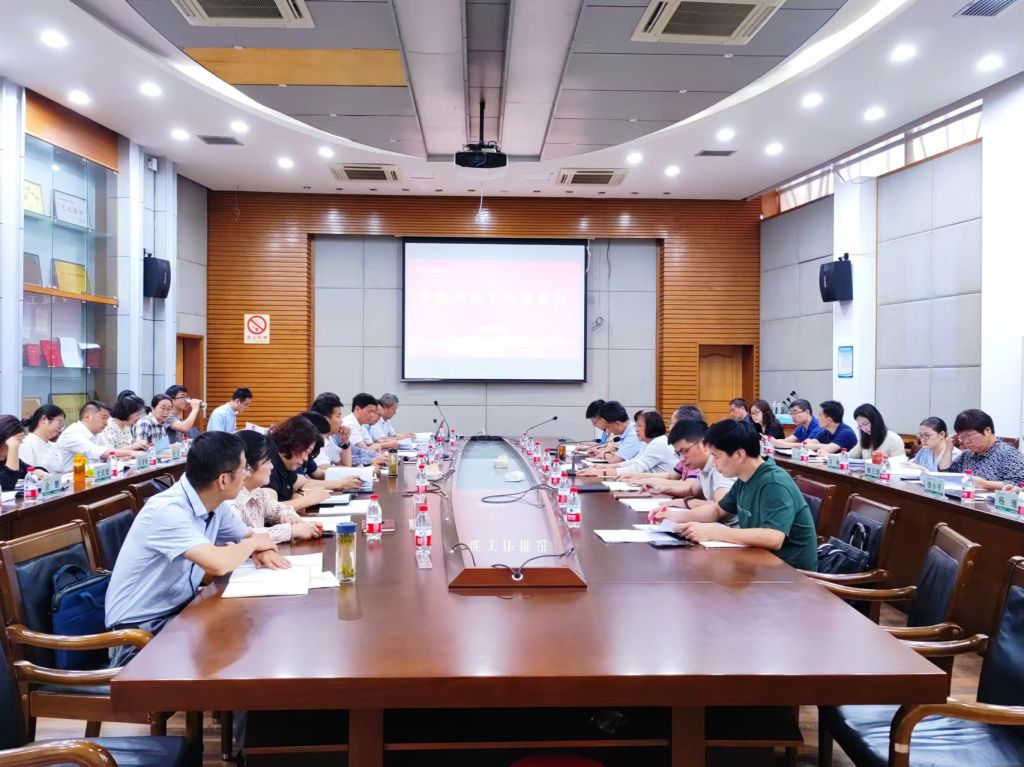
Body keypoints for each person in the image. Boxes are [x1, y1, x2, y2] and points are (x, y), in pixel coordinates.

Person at [105, 431, 288, 664]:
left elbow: (250, 535)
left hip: (180, 616)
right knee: (234, 656)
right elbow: (219, 563)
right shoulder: (168, 511)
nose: (246, 475)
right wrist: (254, 544)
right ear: (223, 480)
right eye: (243, 469)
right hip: (138, 635)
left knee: (249, 639)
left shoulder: (214, 503)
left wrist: (261, 548)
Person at [674, 419, 817, 570]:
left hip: (790, 573)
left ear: (739, 455)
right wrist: (675, 518)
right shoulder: (745, 478)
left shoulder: (773, 483)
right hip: (761, 562)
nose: (714, 464)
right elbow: (717, 510)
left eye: (716, 457)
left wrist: (712, 532)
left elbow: (774, 537)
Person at [230, 430, 323, 543]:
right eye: (267, 462)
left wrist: (289, 516)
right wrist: (291, 531)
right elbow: (243, 536)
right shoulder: (229, 501)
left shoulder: (258, 493)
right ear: (247, 466)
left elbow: (280, 509)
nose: (272, 466)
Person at [648, 419, 736, 520]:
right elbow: (692, 490)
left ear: (704, 444)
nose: (682, 459)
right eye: (678, 454)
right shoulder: (704, 467)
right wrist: (661, 489)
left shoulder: (719, 467)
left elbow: (720, 507)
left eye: (684, 451)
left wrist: (686, 502)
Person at [940, 409, 1024, 490]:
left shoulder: (1009, 454)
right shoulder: (967, 455)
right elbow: (946, 476)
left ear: (987, 430)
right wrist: (948, 449)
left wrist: (985, 484)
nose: (966, 441)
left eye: (969, 436)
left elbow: (1019, 484)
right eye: (962, 437)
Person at [264, 415, 334, 512]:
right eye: (306, 451)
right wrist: (308, 500)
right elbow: (269, 509)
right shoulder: (268, 465)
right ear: (294, 444)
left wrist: (297, 496)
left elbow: (304, 482)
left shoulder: (286, 465)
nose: (306, 458)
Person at [578, 410, 675, 477]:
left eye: (639, 426)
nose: (636, 430)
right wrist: (606, 467)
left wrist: (602, 472)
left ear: (651, 427)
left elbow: (636, 468)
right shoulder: (648, 442)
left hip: (664, 491)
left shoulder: (659, 443)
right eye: (636, 426)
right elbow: (634, 461)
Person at [55, 401, 116, 472]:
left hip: (90, 475)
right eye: (103, 418)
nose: (106, 423)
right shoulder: (72, 433)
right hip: (70, 477)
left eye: (107, 419)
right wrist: (127, 452)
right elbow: (97, 452)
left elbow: (109, 452)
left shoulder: (97, 433)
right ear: (87, 417)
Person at [0, 415, 48, 491]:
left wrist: (36, 471)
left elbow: (28, 469)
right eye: (18, 439)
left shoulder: (8, 459)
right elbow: (6, 485)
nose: (20, 443)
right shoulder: (12, 451)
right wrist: (13, 447)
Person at [309, 393, 354, 471]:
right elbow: (326, 471)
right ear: (326, 420)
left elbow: (345, 465)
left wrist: (345, 441)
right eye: (338, 416)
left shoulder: (328, 439)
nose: (341, 421)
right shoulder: (314, 440)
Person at [19, 405, 65, 474]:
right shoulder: (25, 443)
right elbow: (27, 472)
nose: (60, 428)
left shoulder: (54, 445)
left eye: (62, 425)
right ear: (44, 419)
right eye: (59, 422)